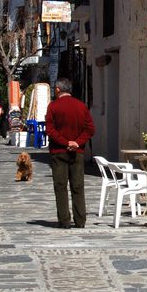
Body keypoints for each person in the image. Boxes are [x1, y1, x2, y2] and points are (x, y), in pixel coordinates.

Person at [44, 78, 95, 229]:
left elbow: (50, 130)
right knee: (77, 186)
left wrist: (65, 143)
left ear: (58, 90)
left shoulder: (53, 106)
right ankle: (80, 220)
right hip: (77, 152)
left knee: (60, 186)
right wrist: (77, 142)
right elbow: (90, 129)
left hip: (59, 151)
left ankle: (64, 220)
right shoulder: (81, 106)